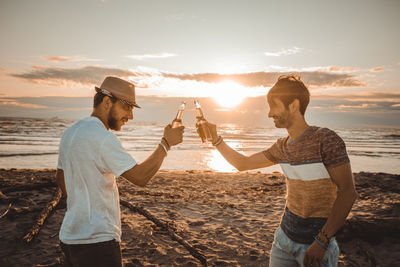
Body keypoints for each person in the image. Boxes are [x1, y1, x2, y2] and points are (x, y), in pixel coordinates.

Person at [205, 75, 357, 267]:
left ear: (293, 105)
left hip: (316, 247)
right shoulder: (281, 147)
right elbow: (243, 164)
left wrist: (322, 241)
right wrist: (215, 139)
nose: (269, 114)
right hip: (283, 241)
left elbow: (348, 193)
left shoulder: (325, 140)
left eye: (273, 106)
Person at [55, 76, 184, 267]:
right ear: (107, 102)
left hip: (69, 237)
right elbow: (140, 177)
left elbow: (61, 177)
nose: (131, 115)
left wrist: (83, 203)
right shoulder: (103, 138)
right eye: (127, 107)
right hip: (98, 242)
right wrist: (166, 144)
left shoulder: (71, 131)